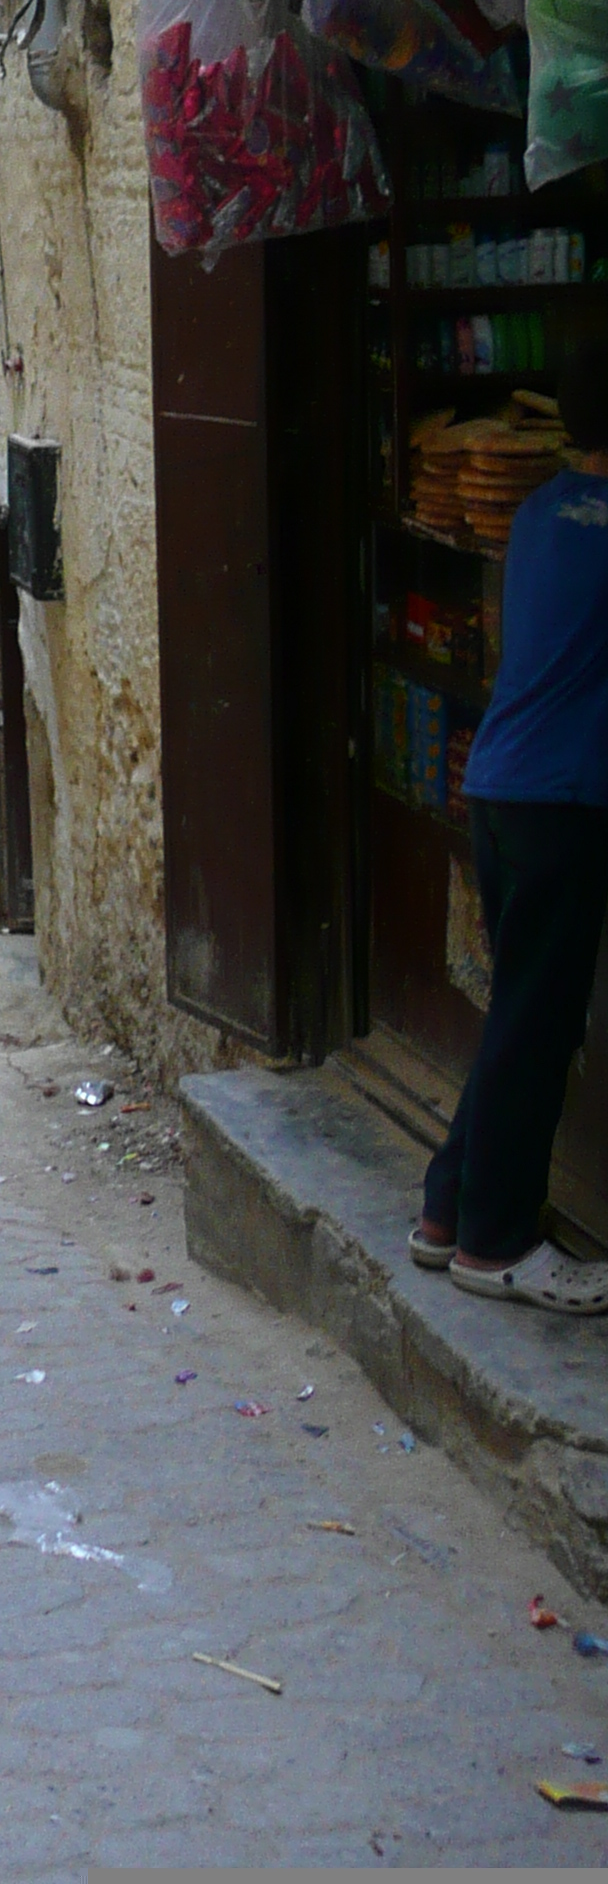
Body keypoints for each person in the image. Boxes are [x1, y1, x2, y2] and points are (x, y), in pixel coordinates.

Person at [414, 341, 608, 1313]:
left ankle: (447, 1208)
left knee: (517, 1014)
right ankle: (493, 1245)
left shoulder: (537, 514)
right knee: (536, 1022)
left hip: (498, 786)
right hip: (561, 805)